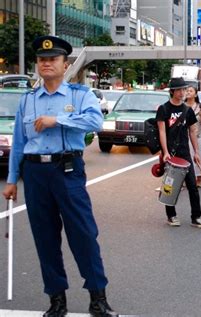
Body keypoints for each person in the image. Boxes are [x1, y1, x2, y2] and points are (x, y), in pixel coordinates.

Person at [2, 35, 117, 317]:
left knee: (84, 234)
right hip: (36, 173)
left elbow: (95, 121)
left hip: (67, 171)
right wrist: (12, 179)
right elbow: (19, 140)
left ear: (65, 64)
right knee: (45, 238)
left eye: (53, 59)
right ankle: (56, 300)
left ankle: (97, 299)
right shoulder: (27, 100)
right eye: (42, 60)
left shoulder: (79, 95)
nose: (46, 64)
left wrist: (58, 119)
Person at [156, 77, 201, 229]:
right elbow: (162, 131)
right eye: (179, 89)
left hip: (185, 153)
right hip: (171, 153)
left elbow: (193, 131)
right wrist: (165, 152)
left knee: (192, 185)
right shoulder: (164, 109)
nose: (183, 92)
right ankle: (171, 216)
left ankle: (196, 217)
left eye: (184, 89)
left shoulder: (187, 110)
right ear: (172, 91)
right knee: (170, 187)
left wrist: (196, 151)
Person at [185, 86, 201, 187]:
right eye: (187, 91)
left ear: (196, 94)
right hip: (186, 136)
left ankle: (199, 177)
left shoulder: (200, 107)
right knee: (187, 157)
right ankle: (187, 177)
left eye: (190, 91)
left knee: (199, 155)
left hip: (199, 134)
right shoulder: (182, 106)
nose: (188, 92)